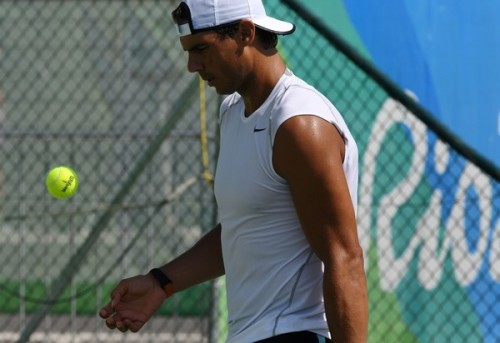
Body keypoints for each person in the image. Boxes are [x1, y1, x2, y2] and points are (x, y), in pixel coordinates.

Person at [99, 0, 368, 342]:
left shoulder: (298, 124)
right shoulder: (233, 111)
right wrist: (161, 282)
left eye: (201, 49)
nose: (191, 65)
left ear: (245, 32)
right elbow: (243, 231)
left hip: (295, 334)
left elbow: (344, 257)